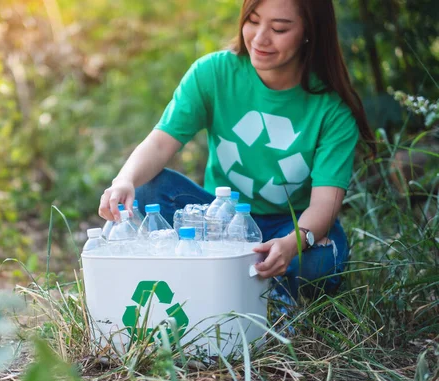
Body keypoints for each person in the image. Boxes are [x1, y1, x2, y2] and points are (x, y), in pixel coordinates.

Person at [97, 0, 376, 303]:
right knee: (147, 188)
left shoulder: (332, 109)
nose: (260, 38)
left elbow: (325, 205)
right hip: (218, 221)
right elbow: (161, 142)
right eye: (253, 21)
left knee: (320, 264)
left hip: (291, 225)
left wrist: (293, 242)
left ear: (310, 32)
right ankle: (249, 283)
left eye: (279, 28)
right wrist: (124, 180)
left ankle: (222, 278)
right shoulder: (213, 73)